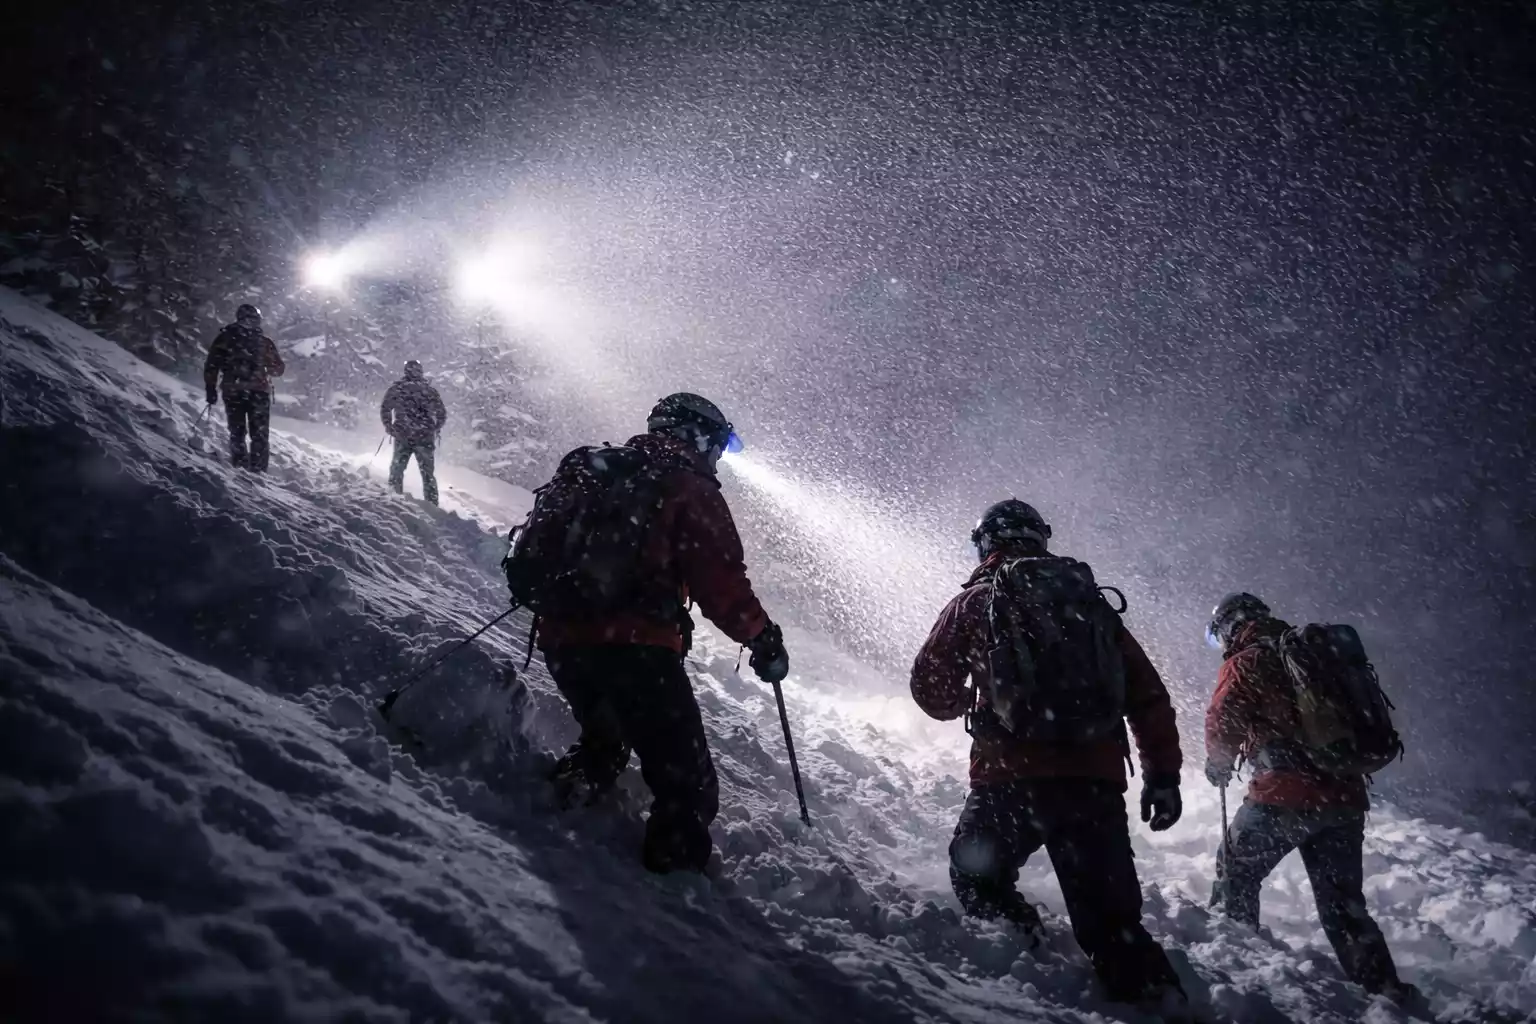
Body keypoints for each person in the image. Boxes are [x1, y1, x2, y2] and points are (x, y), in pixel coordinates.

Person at [911, 499, 1187, 1012]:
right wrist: (1162, 776)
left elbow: (931, 690)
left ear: (985, 542)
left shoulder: (976, 602)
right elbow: (1147, 695)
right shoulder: (1091, 604)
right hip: (1093, 784)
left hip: (1007, 779)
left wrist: (972, 699)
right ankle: (1163, 1005)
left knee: (977, 875)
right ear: (1040, 538)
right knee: (1114, 928)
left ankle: (1024, 968)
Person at [533, 392, 789, 874]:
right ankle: (675, 890)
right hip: (636, 649)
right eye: (718, 446)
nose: (717, 457)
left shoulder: (598, 467)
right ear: (701, 436)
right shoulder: (688, 486)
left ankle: (550, 816)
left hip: (563, 639)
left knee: (604, 737)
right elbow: (721, 583)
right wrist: (762, 638)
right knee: (685, 781)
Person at [1204, 593, 1416, 1003]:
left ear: (1229, 627)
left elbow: (1222, 719)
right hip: (1344, 797)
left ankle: (1233, 969)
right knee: (1343, 906)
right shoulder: (1314, 655)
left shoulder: (1246, 661)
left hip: (1282, 794)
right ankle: (1386, 992)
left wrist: (1219, 763)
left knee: (1237, 872)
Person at [203, 304, 284, 472]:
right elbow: (279, 369)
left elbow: (212, 365)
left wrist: (211, 389)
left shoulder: (225, 338)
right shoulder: (264, 342)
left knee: (237, 431)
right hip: (259, 392)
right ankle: (258, 470)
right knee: (259, 434)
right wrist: (265, 368)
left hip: (233, 390)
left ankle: (239, 466)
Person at [380, 360, 447, 505]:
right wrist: (434, 428)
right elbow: (441, 413)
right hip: (424, 437)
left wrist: (389, 426)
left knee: (397, 470)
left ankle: (394, 499)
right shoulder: (429, 391)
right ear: (420, 372)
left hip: (403, 435)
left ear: (406, 372)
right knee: (427, 474)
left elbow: (385, 408)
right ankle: (432, 504)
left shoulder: (397, 389)